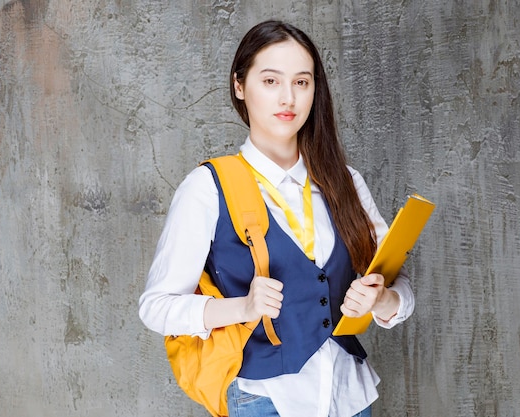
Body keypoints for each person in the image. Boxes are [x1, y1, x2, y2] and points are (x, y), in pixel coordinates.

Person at [139, 20, 415, 417]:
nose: (288, 98)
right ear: (239, 86)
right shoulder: (207, 187)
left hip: (350, 396)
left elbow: (397, 284)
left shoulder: (346, 181)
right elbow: (156, 306)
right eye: (271, 81)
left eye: (302, 83)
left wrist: (382, 298)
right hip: (264, 401)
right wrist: (241, 309)